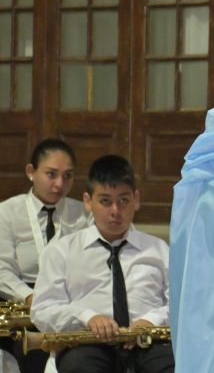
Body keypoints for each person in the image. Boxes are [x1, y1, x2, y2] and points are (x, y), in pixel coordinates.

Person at [31, 155, 173, 373]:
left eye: (124, 200)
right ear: (88, 201)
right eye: (105, 201)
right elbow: (42, 311)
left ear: (136, 200)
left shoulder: (159, 249)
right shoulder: (61, 251)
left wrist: (151, 321)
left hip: (149, 341)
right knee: (79, 366)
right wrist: (87, 317)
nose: (115, 211)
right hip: (88, 344)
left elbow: (181, 304)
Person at [0, 139, 89, 373]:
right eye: (51, 174)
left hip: (68, 296)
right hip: (24, 296)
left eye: (68, 176)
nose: (60, 184)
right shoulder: (7, 212)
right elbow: (2, 269)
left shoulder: (83, 213)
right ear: (31, 172)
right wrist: (30, 297)